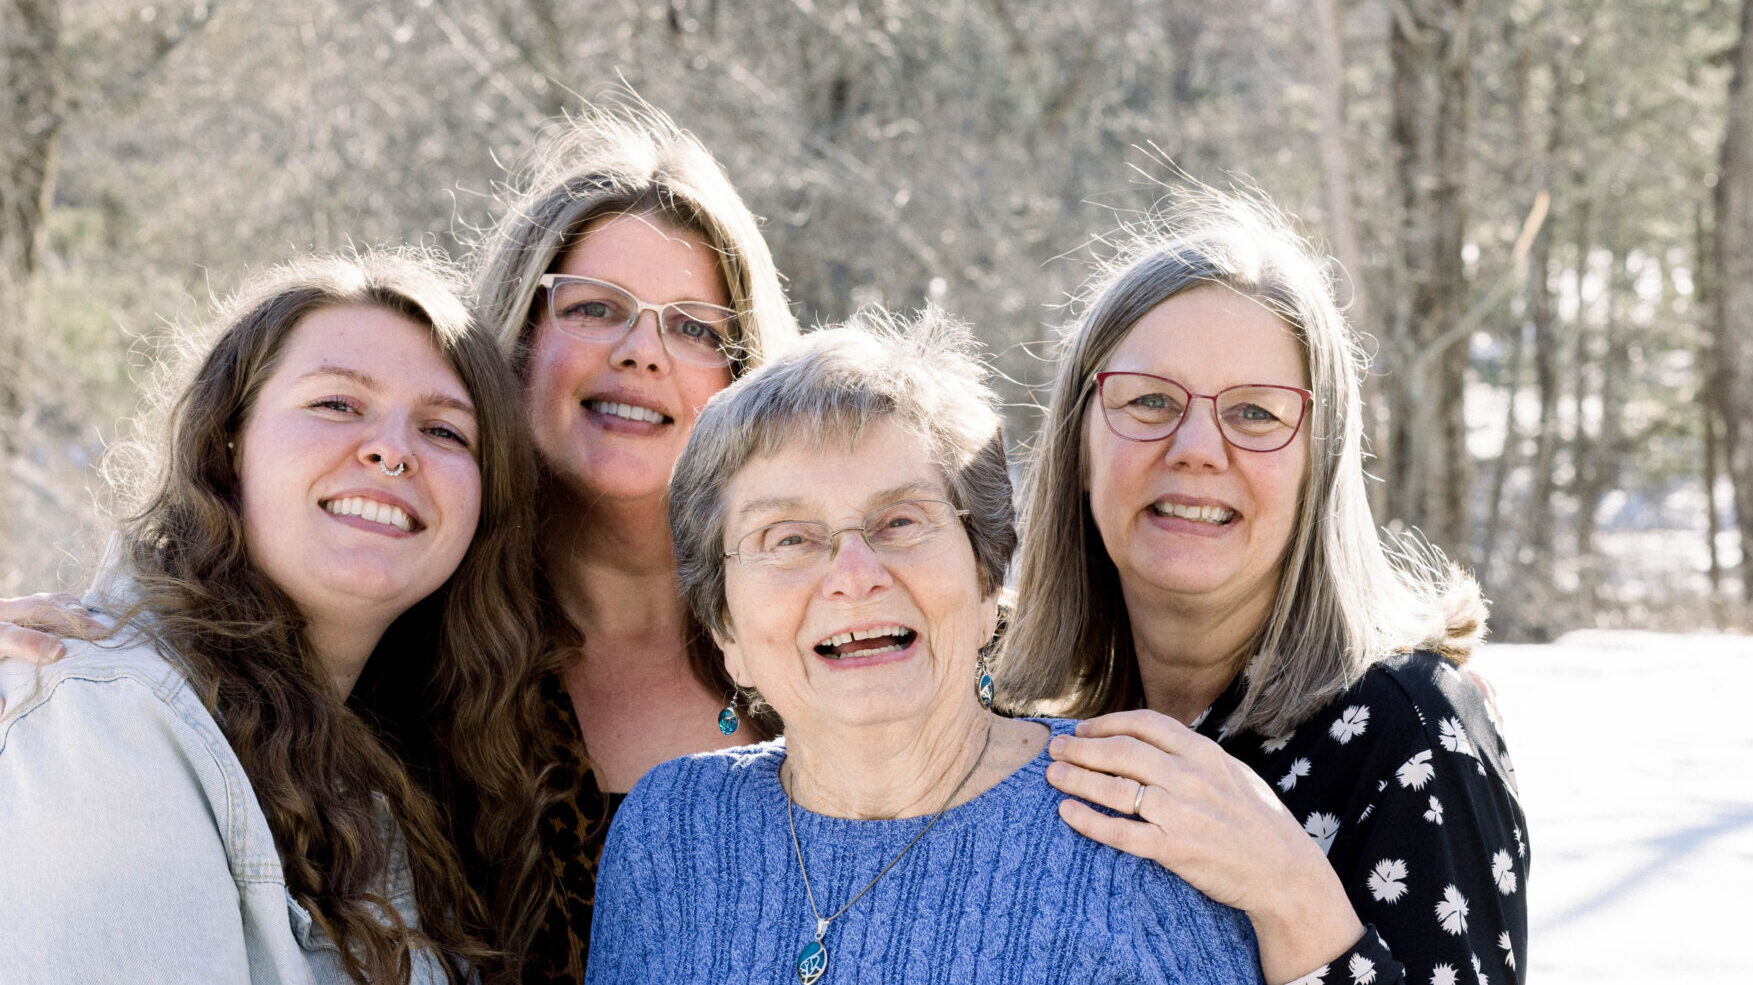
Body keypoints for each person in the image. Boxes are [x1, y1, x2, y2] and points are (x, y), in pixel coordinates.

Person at [0, 102, 799, 983]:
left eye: (693, 325)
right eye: (595, 307)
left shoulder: (828, 632)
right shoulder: (400, 664)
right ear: (514, 354)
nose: (644, 351)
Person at [587, 311, 1265, 984]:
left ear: (984, 579)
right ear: (724, 627)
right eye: (788, 538)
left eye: (900, 521)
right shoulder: (667, 834)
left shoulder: (1131, 828)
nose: (855, 576)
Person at [1001, 195, 1528, 985]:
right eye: (1149, 400)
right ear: (1078, 446)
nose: (1196, 449)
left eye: (1254, 413)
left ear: (1318, 467)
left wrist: (1289, 896)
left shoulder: (1409, 728)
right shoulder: (1015, 719)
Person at [0, 252, 546, 984]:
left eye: (445, 431)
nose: (392, 450)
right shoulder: (111, 715)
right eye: (336, 404)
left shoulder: (405, 760)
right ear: (228, 445)